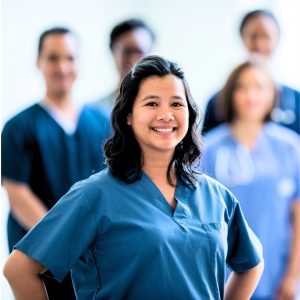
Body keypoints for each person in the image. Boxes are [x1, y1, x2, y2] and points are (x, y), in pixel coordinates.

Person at [4, 55, 264, 299]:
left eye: (176, 103)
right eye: (152, 103)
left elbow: (251, 263)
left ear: (189, 113)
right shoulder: (95, 195)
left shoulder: (216, 196)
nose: (165, 114)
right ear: (128, 115)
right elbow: (19, 269)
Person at [1, 27, 111, 299]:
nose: (62, 66)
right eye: (53, 58)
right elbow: (17, 193)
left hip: (93, 251)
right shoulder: (19, 127)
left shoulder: (103, 123)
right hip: (39, 253)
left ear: (79, 63)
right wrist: (64, 241)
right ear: (38, 62)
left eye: (70, 58)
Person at [201, 60, 300, 299]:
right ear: (229, 93)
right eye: (241, 87)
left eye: (259, 87)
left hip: (277, 273)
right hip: (221, 274)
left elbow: (298, 217)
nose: (250, 95)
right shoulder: (208, 149)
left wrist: (291, 277)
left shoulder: (289, 148)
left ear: (272, 95)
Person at [202, 9, 300, 134]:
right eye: (253, 36)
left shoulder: (296, 100)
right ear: (242, 38)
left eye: (266, 36)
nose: (259, 44)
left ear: (277, 39)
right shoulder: (218, 101)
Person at [93, 18, 155, 111]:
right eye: (127, 51)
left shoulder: (165, 110)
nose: (133, 60)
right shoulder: (96, 112)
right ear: (113, 52)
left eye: (139, 52)